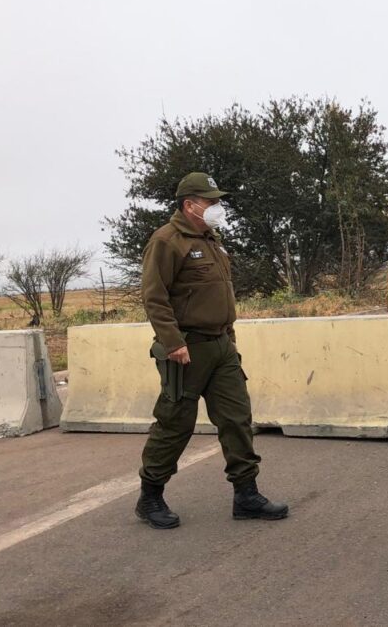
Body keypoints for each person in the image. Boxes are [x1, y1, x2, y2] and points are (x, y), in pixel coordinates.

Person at [135, 172, 288, 529]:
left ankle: (246, 494)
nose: (218, 207)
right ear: (190, 205)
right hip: (187, 349)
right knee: (176, 424)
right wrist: (173, 343)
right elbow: (154, 297)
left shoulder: (212, 239)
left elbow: (220, 296)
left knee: (237, 418)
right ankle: (150, 495)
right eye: (210, 201)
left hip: (221, 347)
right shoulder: (167, 241)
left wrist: (229, 339)